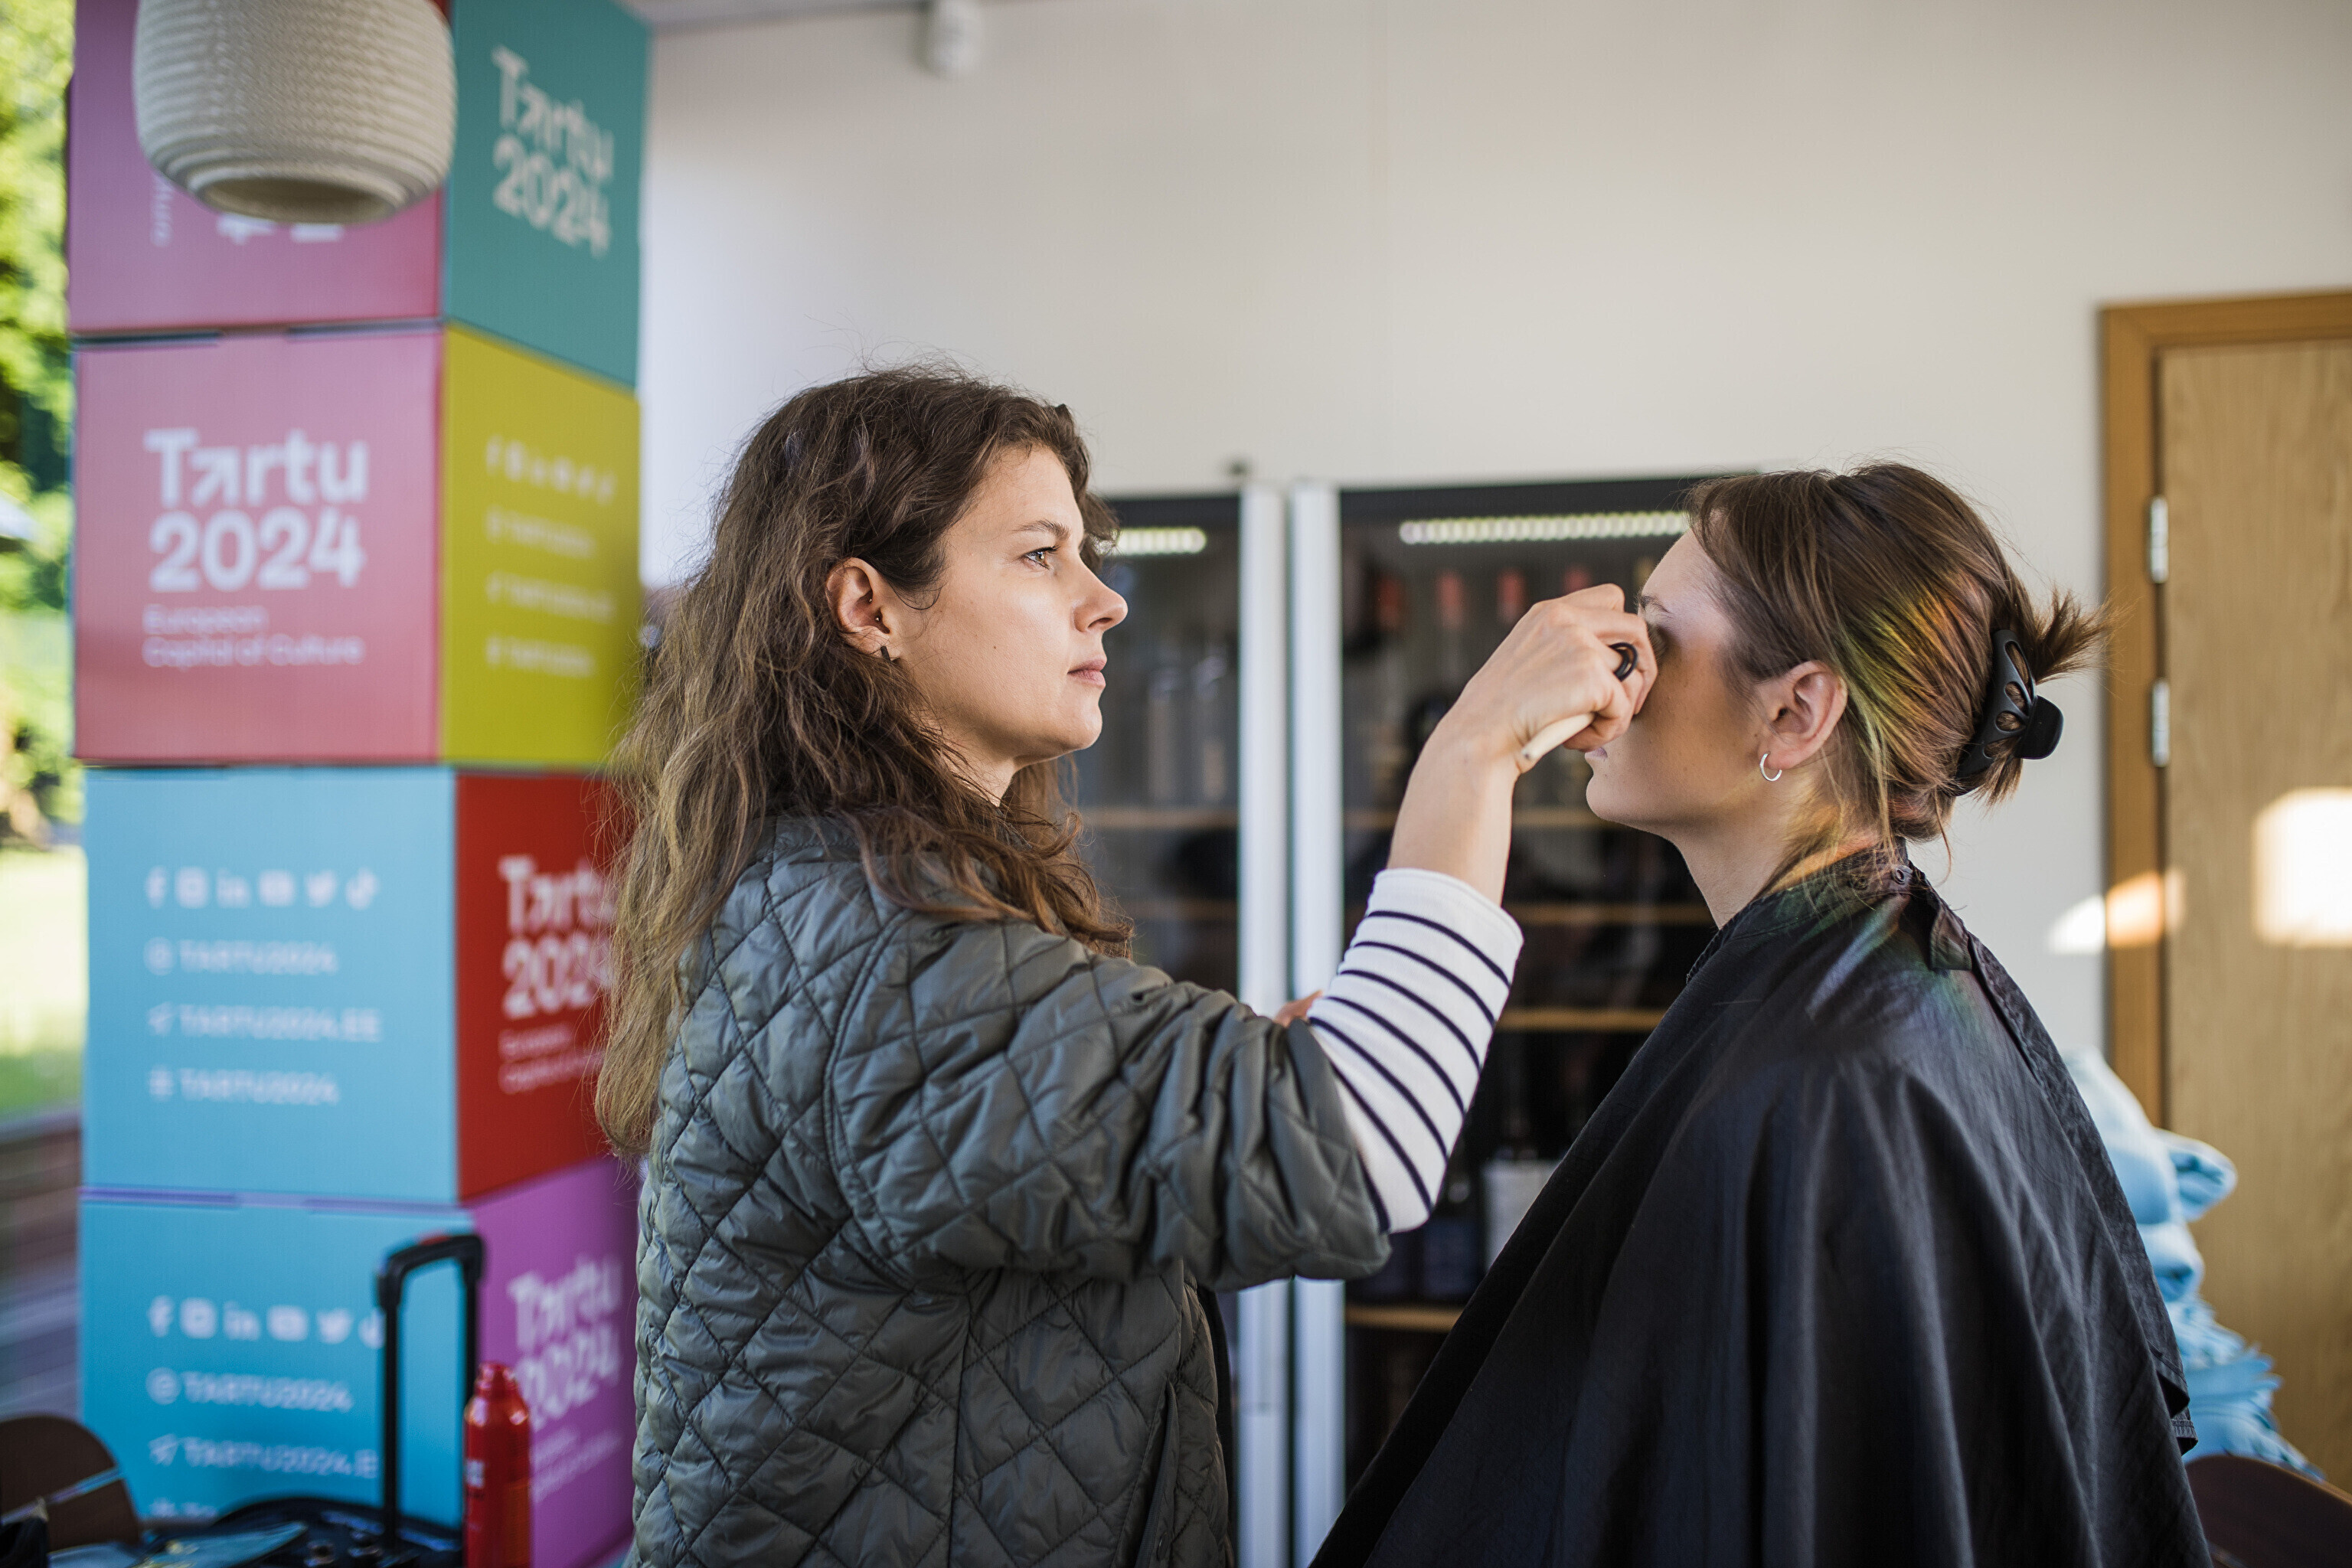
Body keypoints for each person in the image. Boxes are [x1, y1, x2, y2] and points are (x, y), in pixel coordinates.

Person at [597, 367, 1653, 1568]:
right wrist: (1474, 750)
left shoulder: (850, 906)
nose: (1104, 601)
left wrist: (1241, 1082)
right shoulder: (893, 958)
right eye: (1040, 556)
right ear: (869, 606)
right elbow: (1368, 1148)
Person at [1314, 466, 2210, 1568]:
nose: (1608, 684)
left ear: (1795, 712)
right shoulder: (1874, 993)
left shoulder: (1836, 1084)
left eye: (1649, 642)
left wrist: (1472, 747)